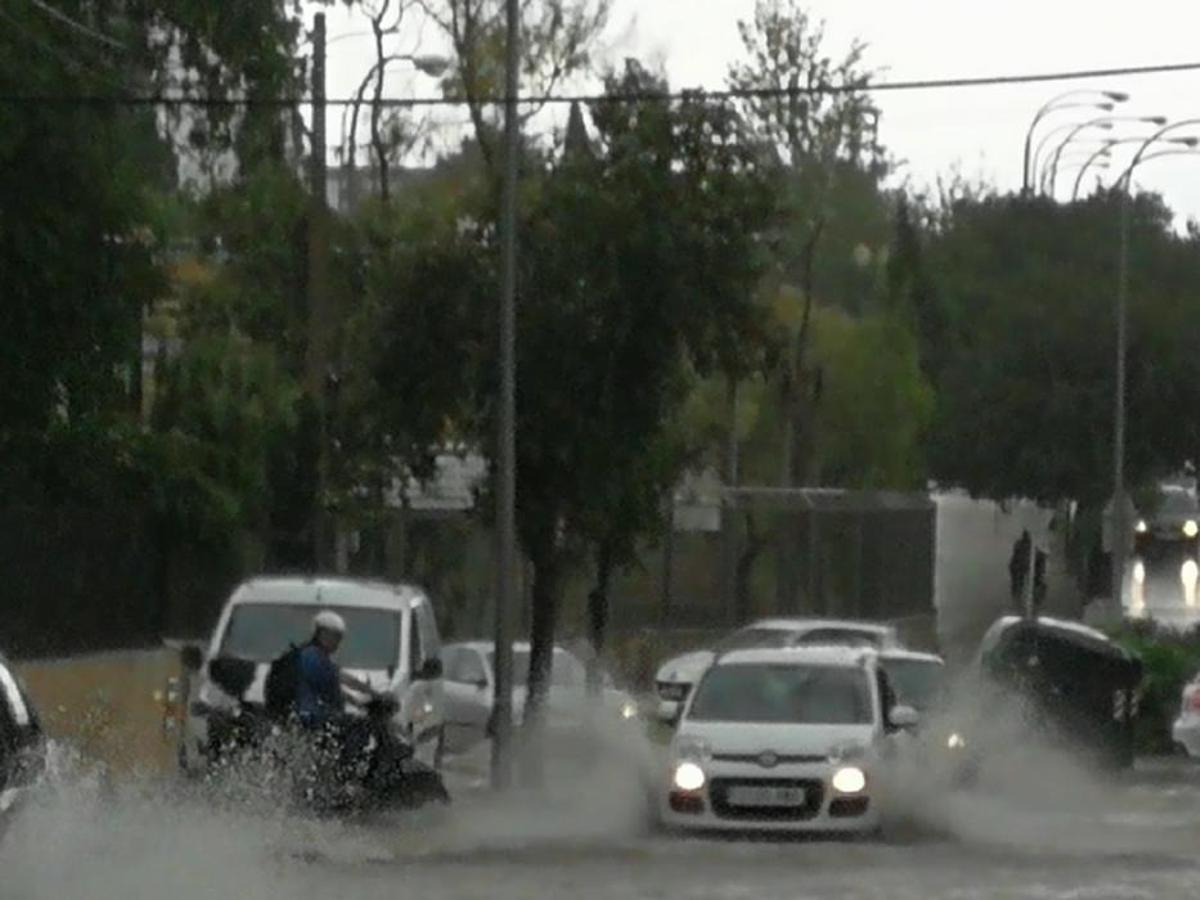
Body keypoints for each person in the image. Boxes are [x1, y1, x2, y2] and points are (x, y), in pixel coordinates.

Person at [1009, 530, 1032, 610]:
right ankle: (1016, 598)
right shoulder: (1027, 545)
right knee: (1018, 582)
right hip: (1018, 566)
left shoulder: (1020, 544)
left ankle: (1016, 598)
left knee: (1017, 583)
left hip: (1017, 566)